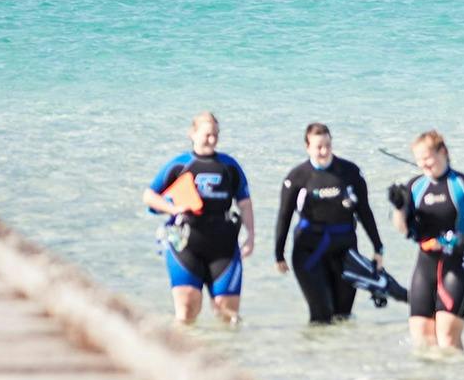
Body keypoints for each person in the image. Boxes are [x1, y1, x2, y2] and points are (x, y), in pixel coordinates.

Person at [143, 113, 254, 327]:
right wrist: (173, 208)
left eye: (215, 135)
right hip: (185, 243)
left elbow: (245, 203)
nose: (212, 139)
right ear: (192, 134)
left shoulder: (229, 166)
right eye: (207, 135)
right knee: (187, 308)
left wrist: (251, 236)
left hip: (223, 245)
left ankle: (229, 356)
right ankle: (180, 357)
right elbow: (149, 196)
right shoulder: (179, 165)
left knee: (227, 312)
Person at [391, 130, 464, 352]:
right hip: (426, 262)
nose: (424, 164)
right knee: (421, 337)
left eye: (427, 158)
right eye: (419, 160)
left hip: (459, 261)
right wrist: (399, 207)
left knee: (447, 338)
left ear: (443, 152)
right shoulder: (415, 186)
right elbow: (402, 228)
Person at [272, 123, 381, 323]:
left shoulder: (350, 172)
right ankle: (315, 352)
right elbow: (284, 216)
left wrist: (378, 247)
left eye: (327, 146)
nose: (324, 151)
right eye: (318, 147)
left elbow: (364, 211)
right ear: (307, 147)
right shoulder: (297, 177)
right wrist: (279, 253)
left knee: (343, 316)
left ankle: (338, 353)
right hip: (309, 252)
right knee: (321, 314)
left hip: (345, 251)